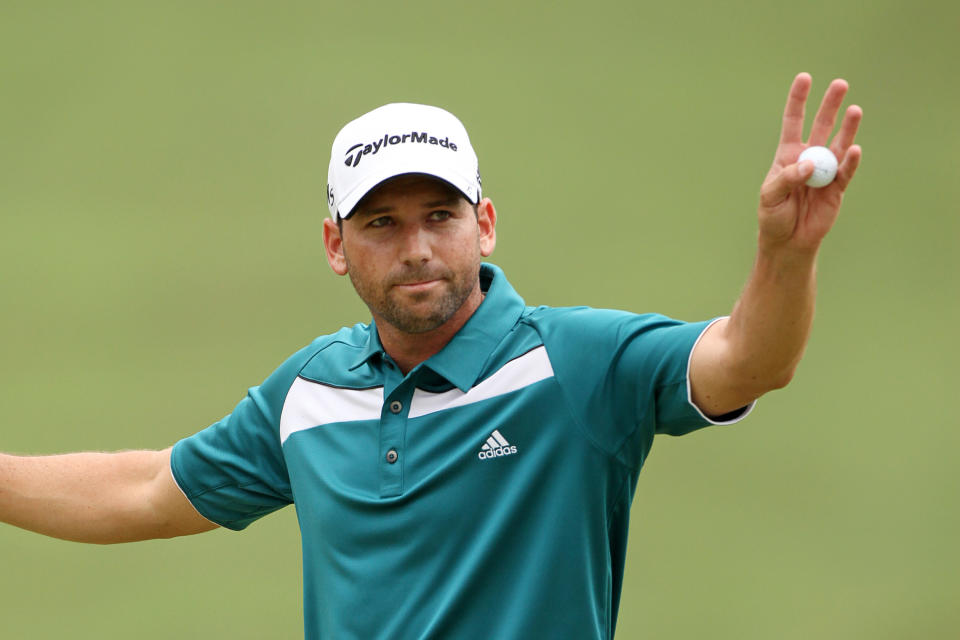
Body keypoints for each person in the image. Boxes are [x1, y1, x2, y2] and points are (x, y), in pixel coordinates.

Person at [0, 73, 862, 639]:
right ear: (337, 246)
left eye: (438, 216)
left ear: (482, 224)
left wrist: (784, 258)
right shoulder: (310, 392)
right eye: (383, 223)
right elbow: (148, 489)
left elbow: (749, 362)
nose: (415, 246)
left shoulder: (575, 364)